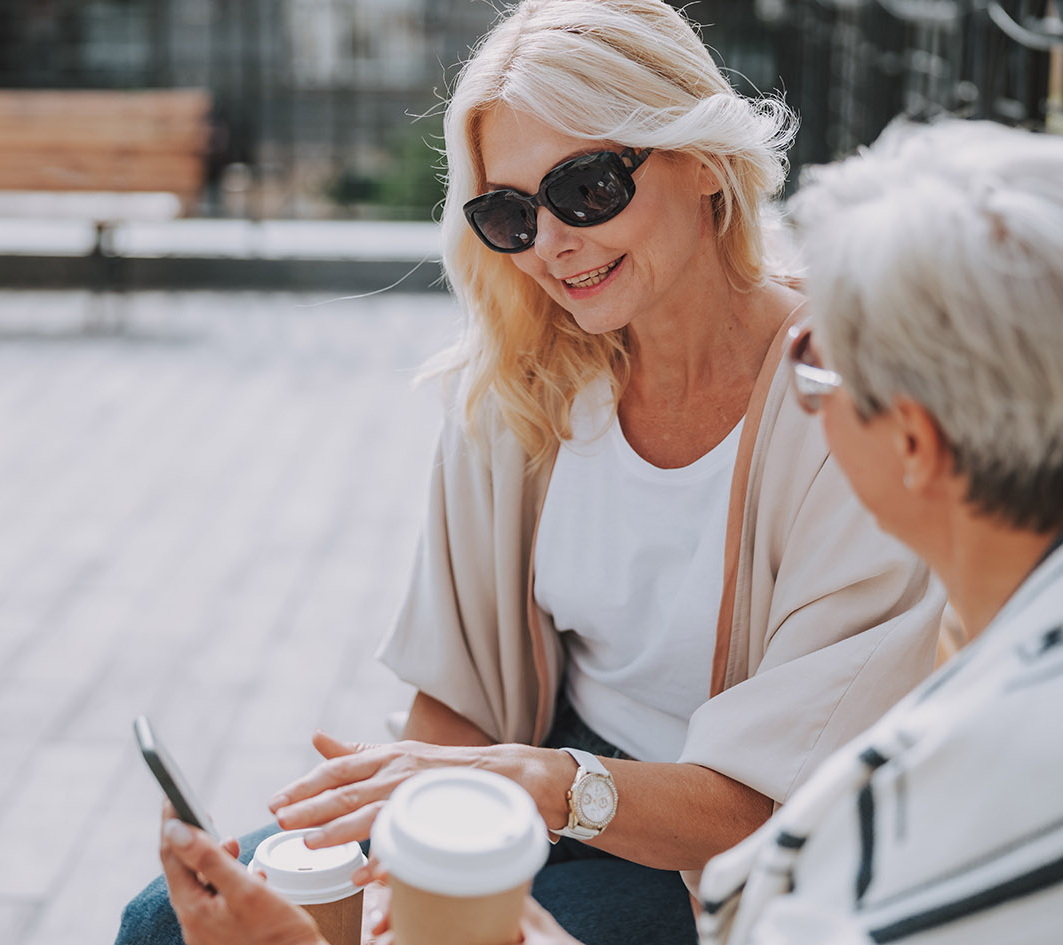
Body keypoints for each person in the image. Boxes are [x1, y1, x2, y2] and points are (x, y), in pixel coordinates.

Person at [118, 2, 945, 943]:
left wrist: (537, 788)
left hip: (717, 853)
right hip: (531, 783)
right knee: (167, 921)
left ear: (705, 160)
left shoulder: (840, 405)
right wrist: (407, 860)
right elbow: (458, 699)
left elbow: (775, 803)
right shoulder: (520, 391)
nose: (551, 242)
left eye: (586, 187)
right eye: (509, 212)